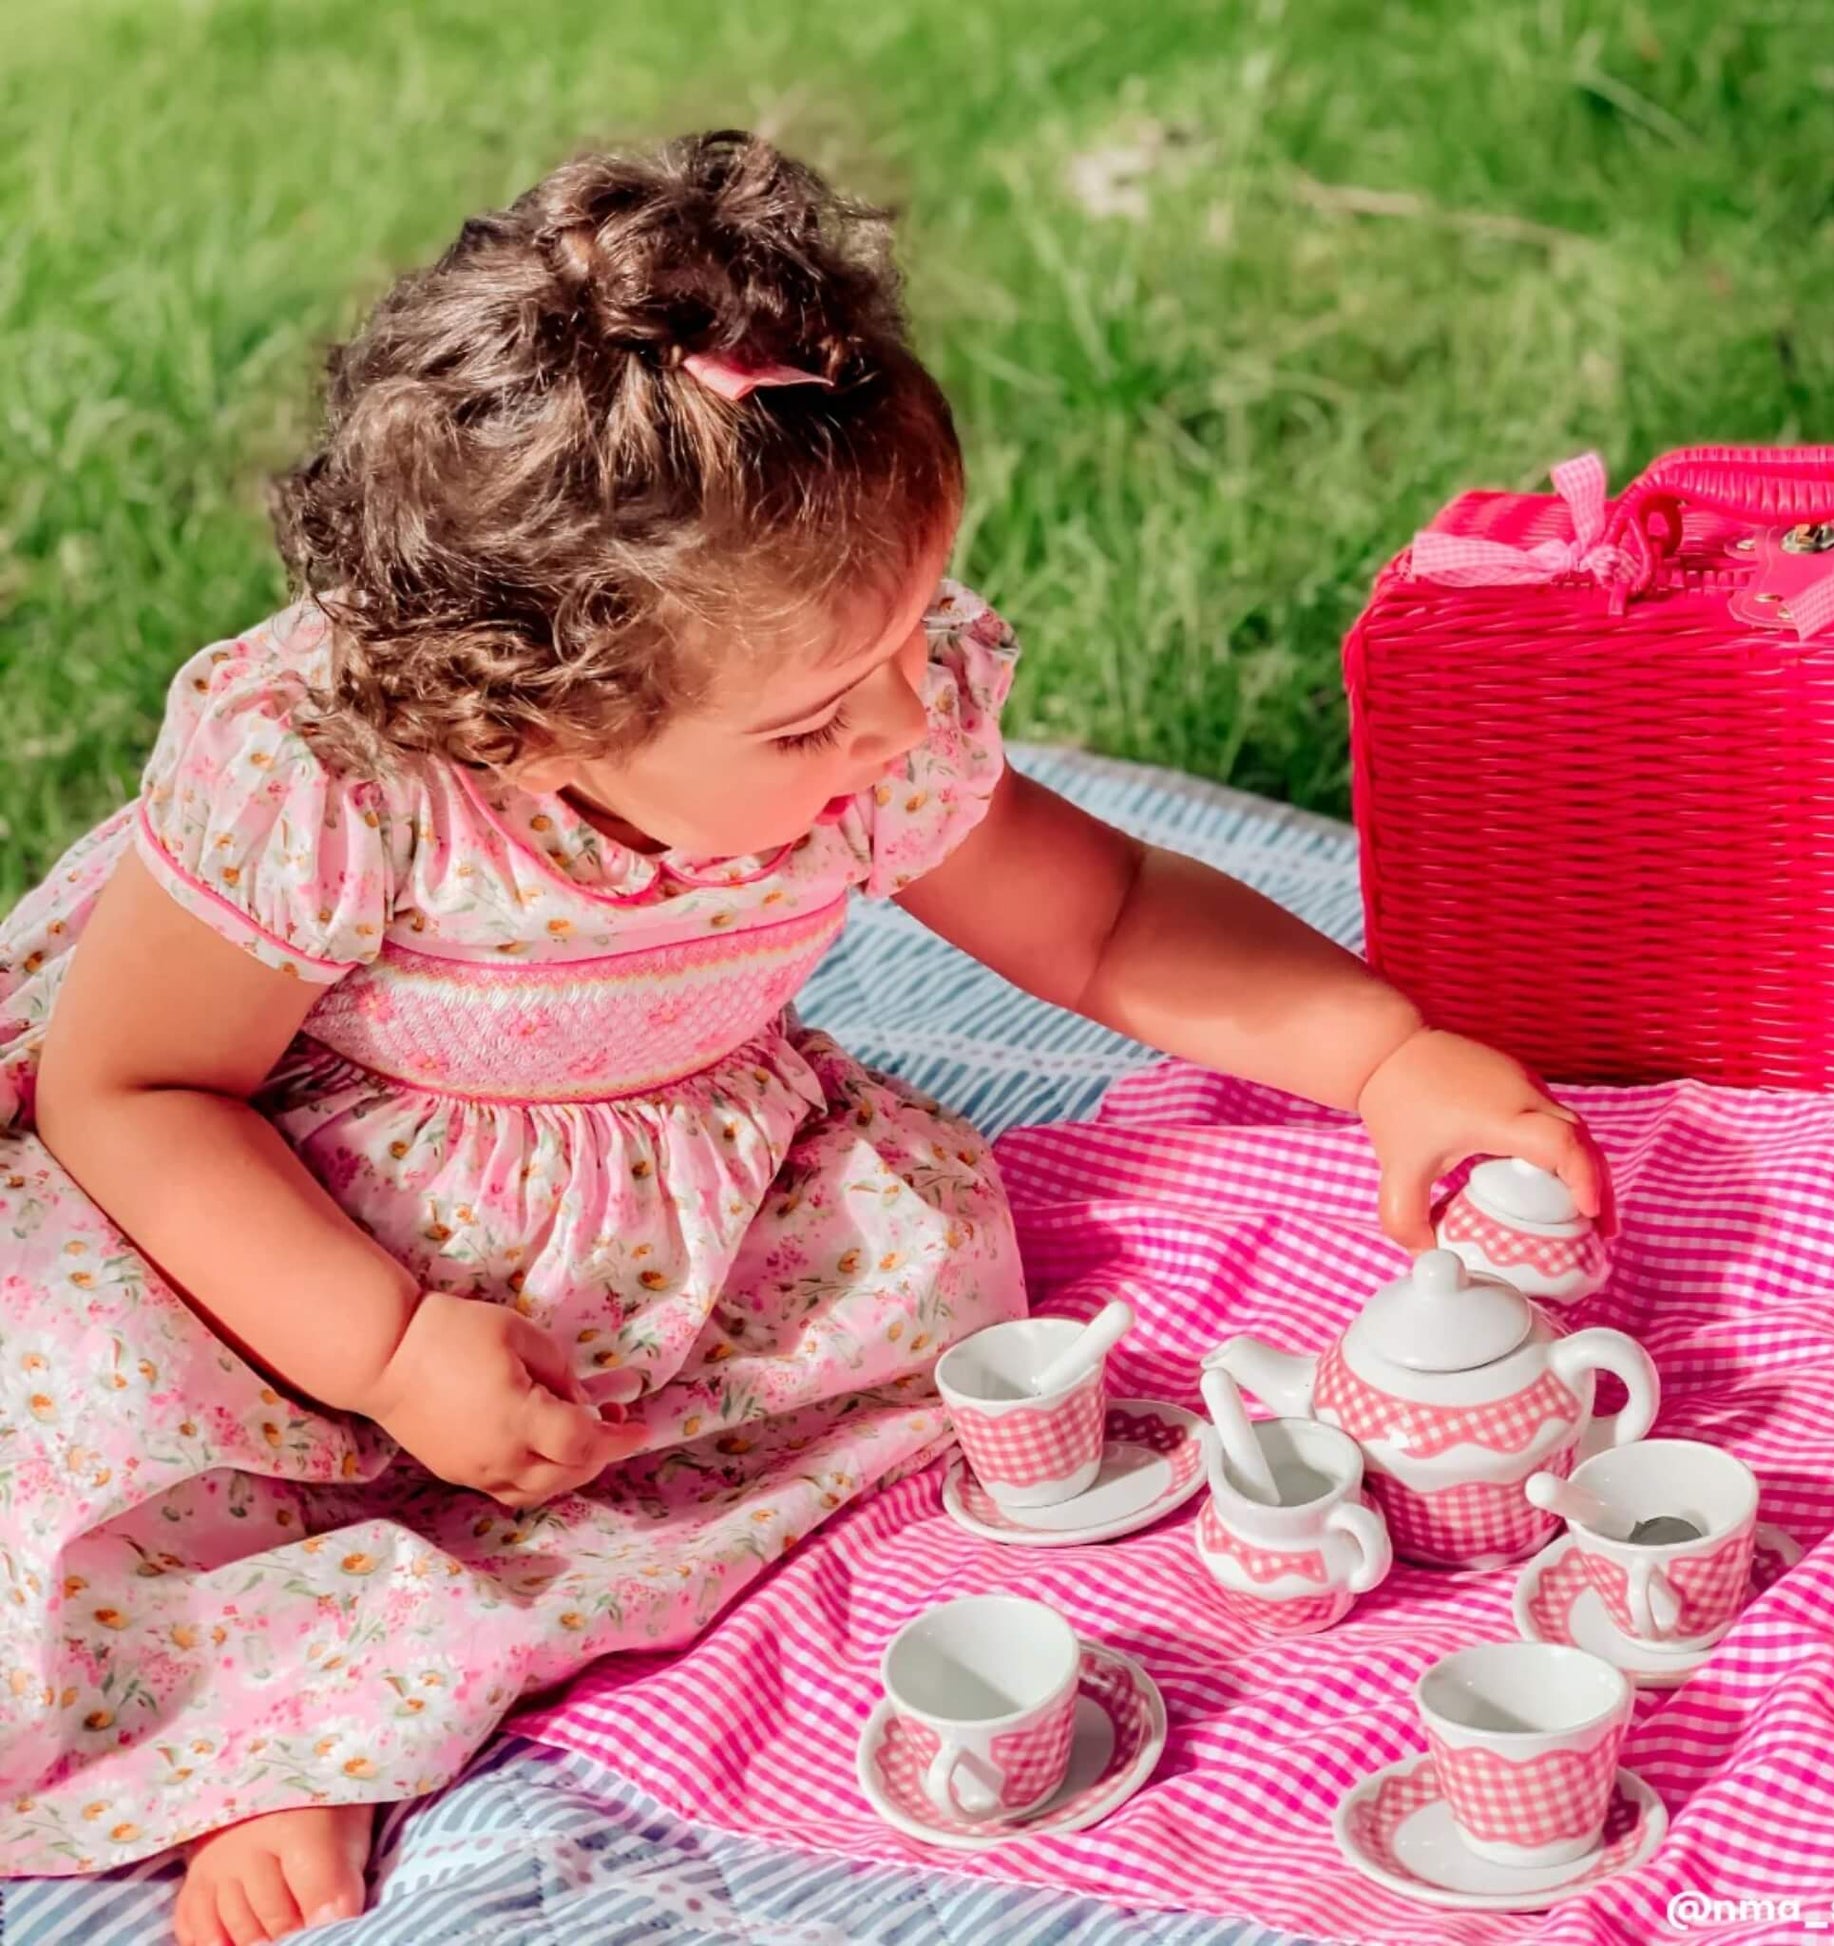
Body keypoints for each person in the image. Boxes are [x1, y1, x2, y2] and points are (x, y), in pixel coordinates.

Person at [0, 130, 1605, 1946]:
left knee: (918, 1322)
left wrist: (1382, 1055)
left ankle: (394, 1640)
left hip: (647, 1219)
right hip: (264, 1202)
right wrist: (378, 1349)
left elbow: (1105, 917)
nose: (912, 717)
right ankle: (266, 1724)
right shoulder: (335, 775)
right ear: (539, 722)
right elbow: (125, 1088)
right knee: (68, 1437)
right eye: (829, 708)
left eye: (922, 640)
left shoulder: (861, 723)